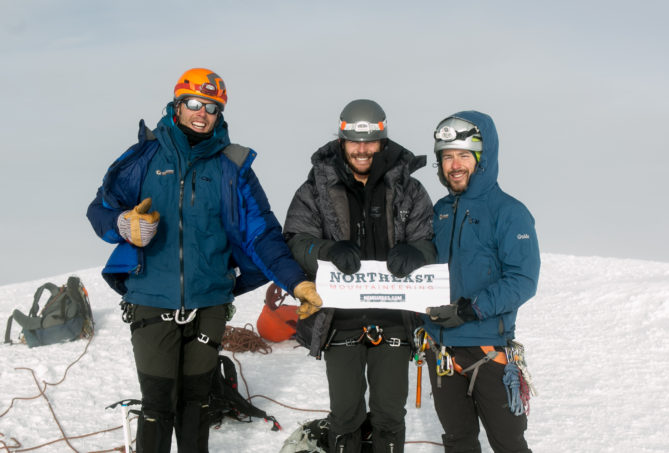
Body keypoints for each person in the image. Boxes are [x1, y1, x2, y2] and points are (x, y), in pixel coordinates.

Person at [86, 67, 322, 453]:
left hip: (209, 302)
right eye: (194, 103)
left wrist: (297, 282)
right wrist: (122, 223)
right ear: (177, 105)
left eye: (212, 107)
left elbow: (261, 233)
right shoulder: (143, 157)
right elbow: (99, 210)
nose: (202, 113)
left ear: (220, 114)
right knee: (158, 405)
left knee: (197, 404)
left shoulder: (233, 167)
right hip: (151, 298)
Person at [283, 99, 436, 453]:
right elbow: (295, 239)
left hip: (395, 321)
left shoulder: (409, 189)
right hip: (340, 321)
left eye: (370, 142)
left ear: (382, 141)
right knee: (345, 414)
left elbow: (430, 241)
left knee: (388, 414)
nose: (363, 150)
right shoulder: (316, 190)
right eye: (354, 141)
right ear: (342, 141)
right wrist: (327, 250)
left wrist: (417, 253)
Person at [422, 111, 540, 453]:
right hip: (440, 350)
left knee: (508, 444)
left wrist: (470, 309)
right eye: (446, 157)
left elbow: (522, 280)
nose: (454, 165)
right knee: (457, 442)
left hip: (489, 351)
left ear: (482, 158)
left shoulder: (509, 211)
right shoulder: (439, 211)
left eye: (463, 156)